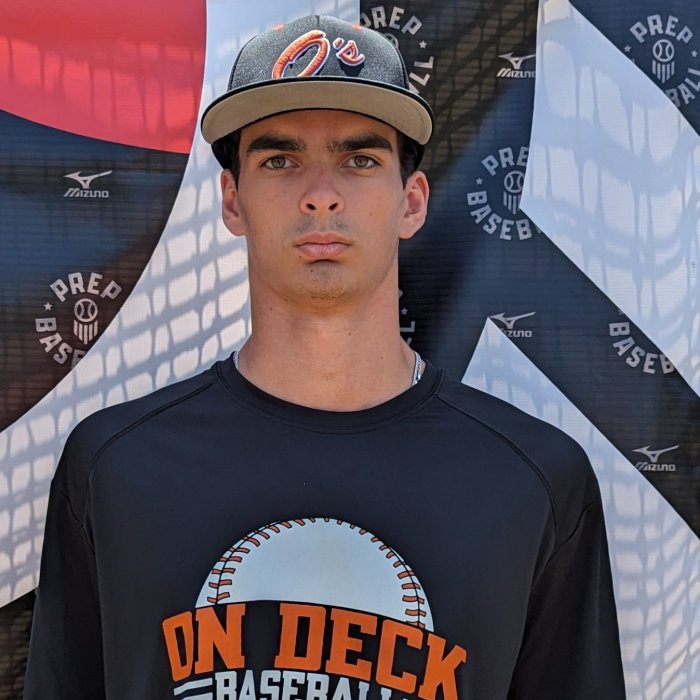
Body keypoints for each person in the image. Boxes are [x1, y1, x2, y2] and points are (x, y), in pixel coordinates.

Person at [25, 14, 625, 699]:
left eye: (359, 160)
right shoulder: (116, 467)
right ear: (232, 201)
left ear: (412, 203)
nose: (320, 194)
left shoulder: (533, 479)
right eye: (279, 160)